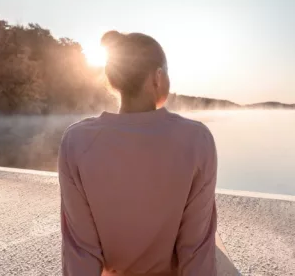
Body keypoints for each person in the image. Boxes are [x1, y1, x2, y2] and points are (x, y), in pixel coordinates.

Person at [58, 31, 217, 276]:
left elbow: (80, 251)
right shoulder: (198, 139)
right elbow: (195, 250)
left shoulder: (76, 141)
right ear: (158, 77)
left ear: (114, 81)